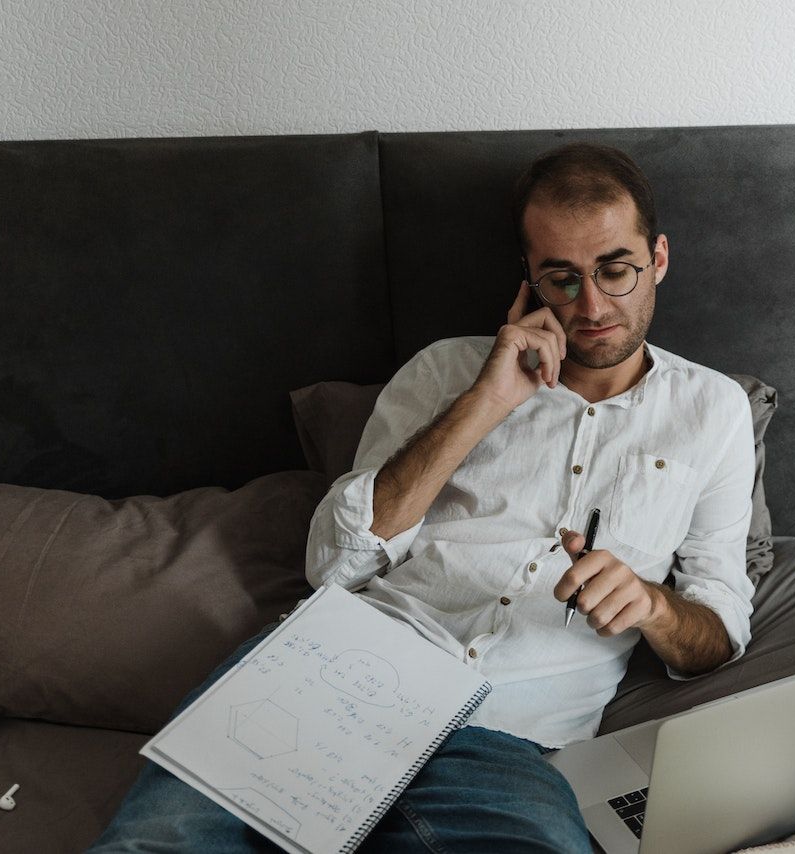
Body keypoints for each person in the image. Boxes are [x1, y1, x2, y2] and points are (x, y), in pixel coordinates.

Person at [88, 142, 756, 853]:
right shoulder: (445, 371)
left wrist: (652, 603)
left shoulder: (714, 410)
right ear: (528, 278)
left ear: (658, 258)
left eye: (615, 270)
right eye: (561, 278)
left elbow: (718, 630)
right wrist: (487, 401)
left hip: (510, 737)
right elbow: (336, 566)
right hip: (333, 678)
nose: (590, 306)